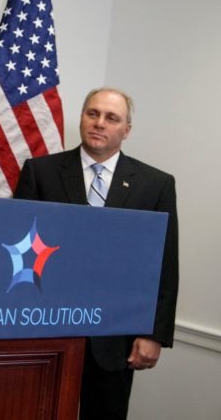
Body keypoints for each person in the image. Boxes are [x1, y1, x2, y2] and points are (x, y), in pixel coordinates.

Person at [13, 88, 178, 420]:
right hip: (44, 330)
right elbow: (19, 253)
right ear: (82, 118)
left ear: (126, 130)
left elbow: (164, 264)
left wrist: (153, 334)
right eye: (93, 113)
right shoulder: (40, 172)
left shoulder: (155, 184)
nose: (99, 123)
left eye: (111, 117)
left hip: (115, 338)